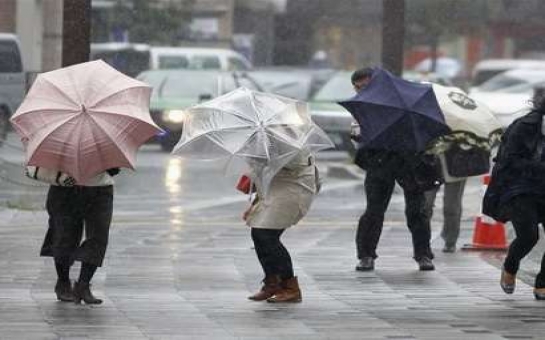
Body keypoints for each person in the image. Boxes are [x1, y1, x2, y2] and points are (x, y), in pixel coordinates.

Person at [350, 67, 437, 272]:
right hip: (380, 160)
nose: (360, 91)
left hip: (410, 159)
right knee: (374, 210)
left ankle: (423, 254)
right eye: (357, 87)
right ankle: (366, 255)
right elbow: (356, 137)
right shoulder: (364, 107)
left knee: (417, 210)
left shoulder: (404, 98)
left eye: (363, 86)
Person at [25, 166, 119, 304]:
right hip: (65, 187)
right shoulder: (59, 144)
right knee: (64, 236)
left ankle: (83, 284)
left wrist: (112, 167)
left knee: (98, 237)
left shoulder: (105, 143)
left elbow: (114, 167)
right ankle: (63, 282)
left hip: (100, 188)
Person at [243, 150, 318, 303]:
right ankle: (273, 282)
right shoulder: (259, 139)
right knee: (260, 234)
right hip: (275, 189)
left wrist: (265, 158)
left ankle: (290, 287)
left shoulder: (287, 137)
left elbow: (292, 162)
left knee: (265, 234)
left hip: (294, 186)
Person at [495, 87, 545, 300]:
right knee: (529, 235)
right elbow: (508, 160)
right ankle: (510, 266)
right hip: (522, 187)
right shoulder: (525, 126)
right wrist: (538, 167)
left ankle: (542, 283)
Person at [424, 179, 466, 253]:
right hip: (431, 169)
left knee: (451, 206)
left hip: (456, 170)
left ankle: (450, 240)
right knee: (426, 204)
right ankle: (422, 240)